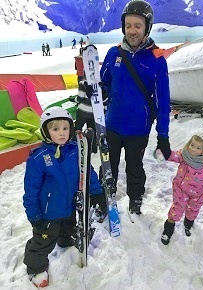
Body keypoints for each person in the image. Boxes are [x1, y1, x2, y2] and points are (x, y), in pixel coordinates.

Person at [100, 0, 171, 215]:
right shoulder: (114, 54)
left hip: (138, 129)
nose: (132, 31)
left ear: (147, 27)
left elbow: (163, 101)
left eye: (137, 26)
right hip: (112, 125)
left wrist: (163, 135)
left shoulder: (157, 59)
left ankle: (136, 200)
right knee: (107, 167)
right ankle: (104, 199)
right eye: (128, 25)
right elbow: (104, 85)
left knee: (135, 168)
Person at [23, 107, 107, 288]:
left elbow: (87, 172)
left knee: (67, 228)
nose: (61, 133)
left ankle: (65, 241)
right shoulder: (38, 157)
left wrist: (97, 192)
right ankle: (35, 268)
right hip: (48, 213)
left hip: (70, 207)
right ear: (46, 131)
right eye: (55, 129)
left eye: (65, 128)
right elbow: (31, 189)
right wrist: (34, 216)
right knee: (42, 241)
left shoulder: (75, 150)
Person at [160, 131, 203, 245]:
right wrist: (163, 153)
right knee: (177, 209)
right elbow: (173, 156)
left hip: (198, 193)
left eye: (198, 148)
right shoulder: (184, 155)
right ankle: (168, 228)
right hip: (180, 189)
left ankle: (188, 225)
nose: (193, 149)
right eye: (192, 145)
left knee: (193, 210)